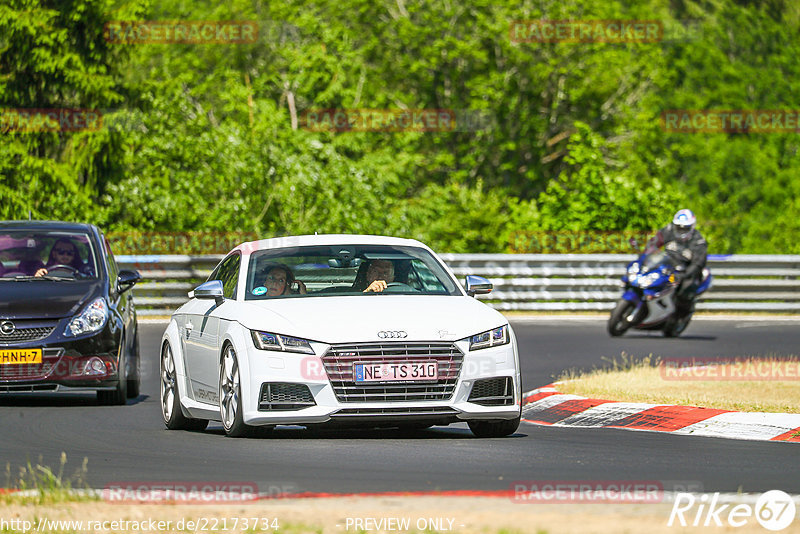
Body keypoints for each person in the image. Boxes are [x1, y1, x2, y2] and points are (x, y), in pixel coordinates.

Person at [645, 209, 708, 316]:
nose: (681, 231)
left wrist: (685, 275)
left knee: (686, 289)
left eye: (685, 228)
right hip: (667, 264)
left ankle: (680, 314)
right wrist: (647, 254)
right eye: (678, 227)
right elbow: (654, 242)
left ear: (692, 227)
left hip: (685, 271)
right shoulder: (668, 230)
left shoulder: (699, 241)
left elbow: (698, 263)